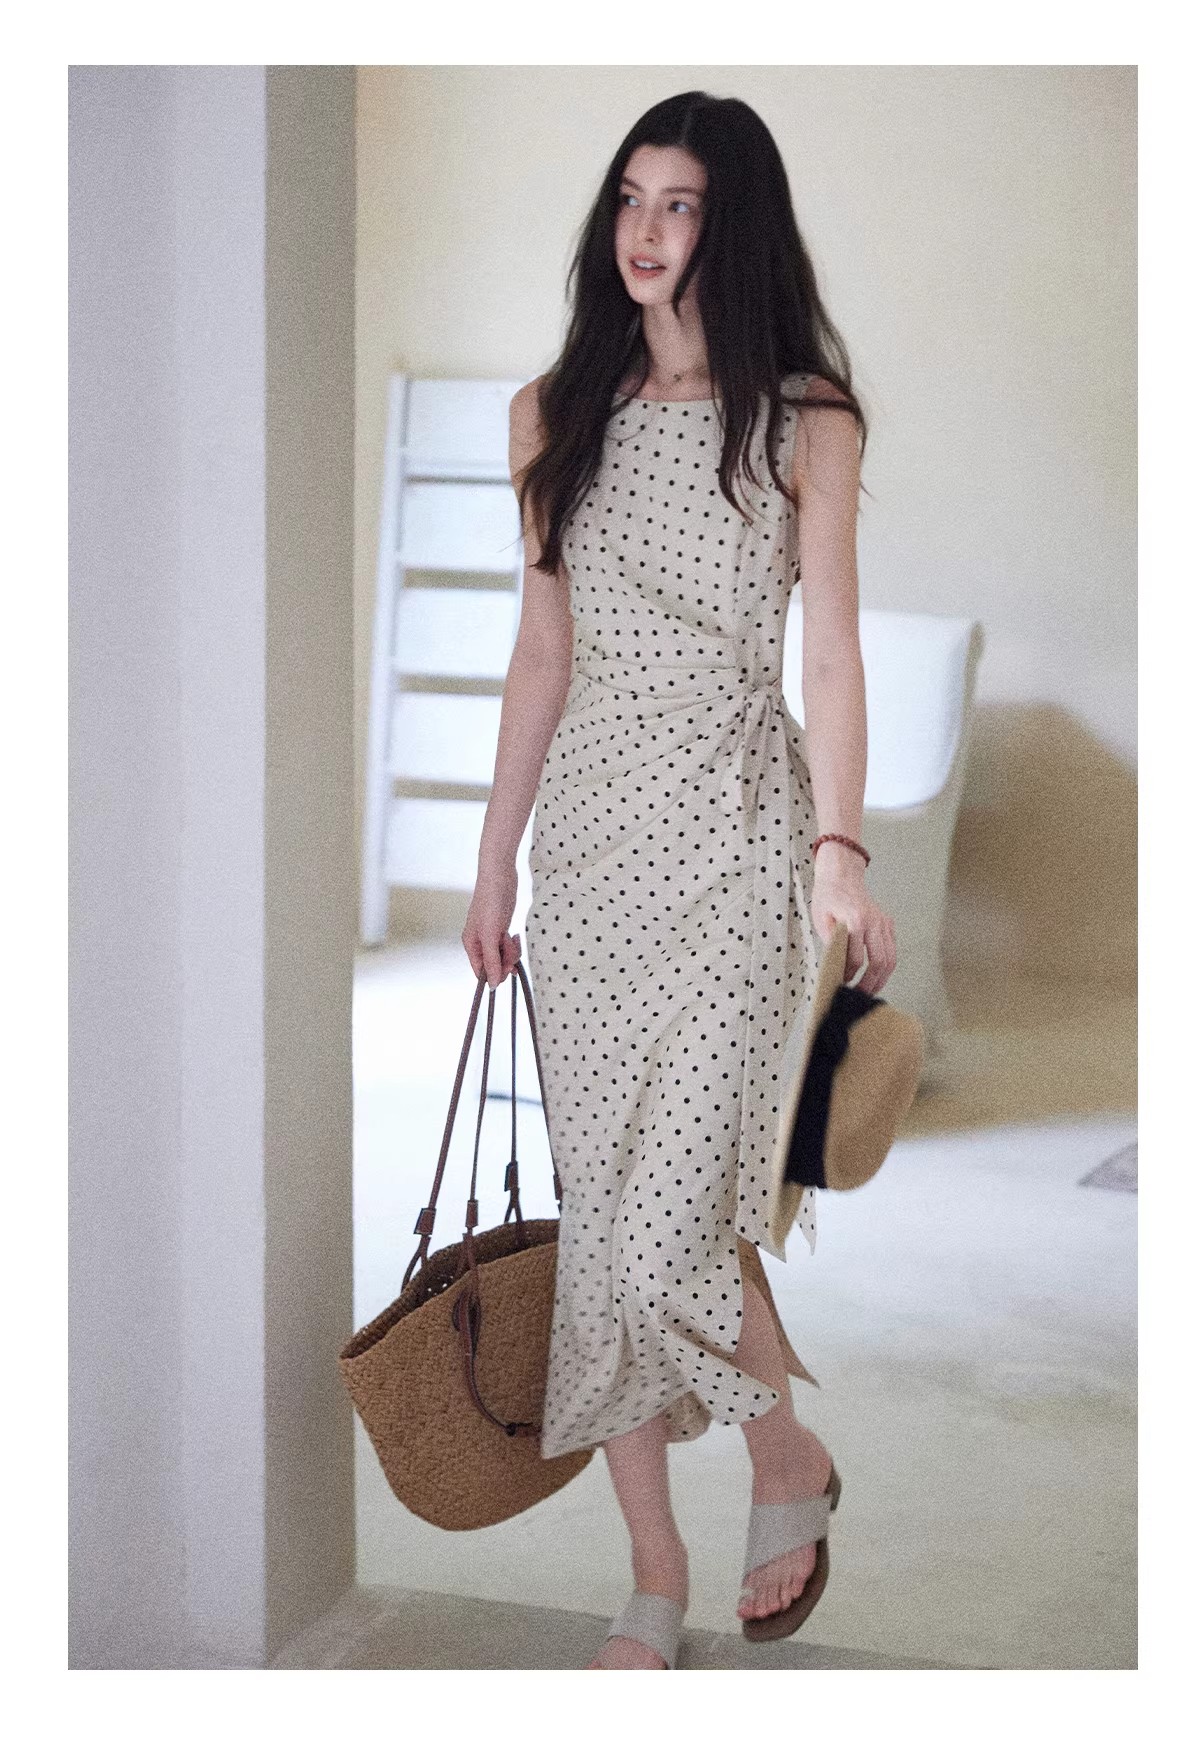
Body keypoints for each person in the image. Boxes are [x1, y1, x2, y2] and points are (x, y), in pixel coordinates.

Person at [462, 90, 897, 1668]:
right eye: (630, 199)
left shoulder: (805, 419)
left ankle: (783, 1455)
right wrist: (492, 859)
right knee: (607, 1217)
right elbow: (542, 652)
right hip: (588, 856)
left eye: (682, 204)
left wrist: (842, 854)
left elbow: (830, 651)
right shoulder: (550, 412)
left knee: (679, 1212)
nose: (644, 231)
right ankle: (654, 1571)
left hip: (737, 838)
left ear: (737, 226)